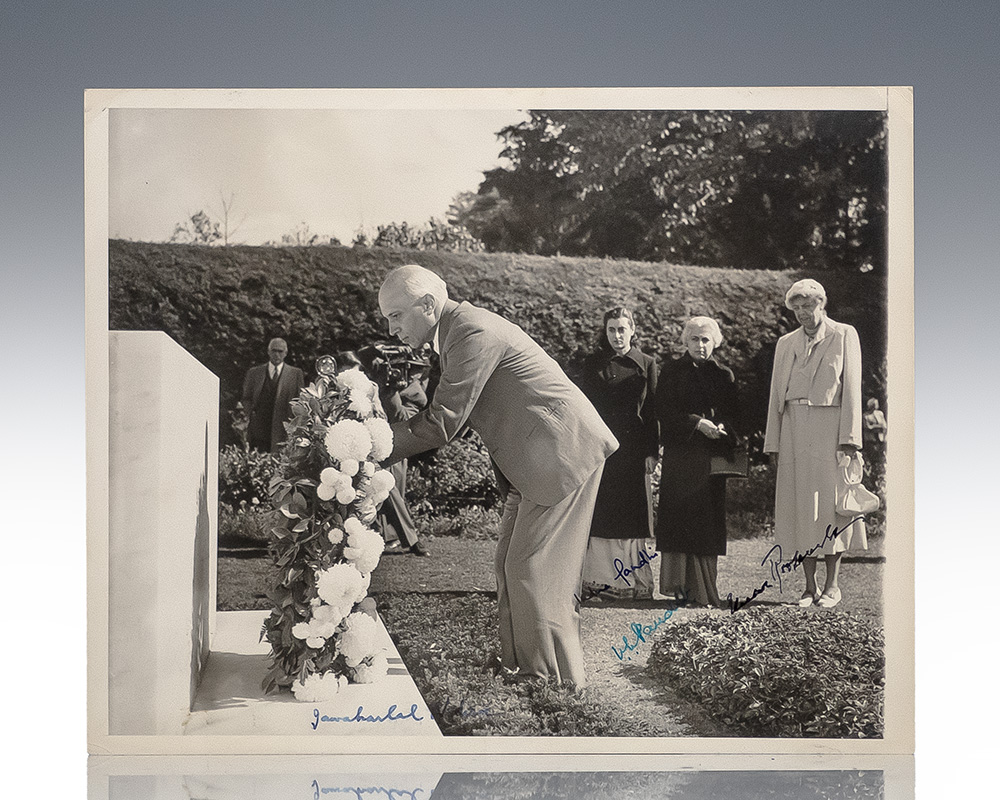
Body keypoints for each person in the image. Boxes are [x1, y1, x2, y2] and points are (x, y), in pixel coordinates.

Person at [377, 264, 618, 687]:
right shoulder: (456, 331)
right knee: (511, 564)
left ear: (428, 305)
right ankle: (522, 667)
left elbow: (442, 422)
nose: (391, 327)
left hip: (562, 455)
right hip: (538, 462)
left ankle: (551, 682)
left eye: (396, 315)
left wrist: (370, 444)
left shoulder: (470, 331)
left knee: (532, 569)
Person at [763, 279, 867, 609]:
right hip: (794, 426)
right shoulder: (785, 343)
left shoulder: (844, 334)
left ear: (822, 303)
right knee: (800, 508)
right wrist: (774, 442)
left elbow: (852, 389)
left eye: (808, 306)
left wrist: (849, 440)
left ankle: (832, 586)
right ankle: (808, 587)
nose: (802, 314)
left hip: (830, 429)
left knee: (831, 507)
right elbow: (775, 396)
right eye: (796, 308)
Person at [654, 316, 741, 608]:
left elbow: (735, 415)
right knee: (680, 519)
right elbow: (663, 413)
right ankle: (678, 587)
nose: (700, 345)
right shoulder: (671, 371)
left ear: (714, 342)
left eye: (705, 339)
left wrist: (723, 428)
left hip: (710, 459)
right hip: (681, 455)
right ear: (685, 341)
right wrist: (697, 423)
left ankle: (703, 589)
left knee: (706, 522)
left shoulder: (724, 375)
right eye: (694, 339)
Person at [578, 307, 659, 602]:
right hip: (602, 449)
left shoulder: (647, 364)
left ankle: (632, 582)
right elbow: (584, 410)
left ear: (633, 330)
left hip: (635, 452)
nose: (617, 336)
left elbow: (652, 412)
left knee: (632, 515)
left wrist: (652, 451)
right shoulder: (593, 364)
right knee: (602, 513)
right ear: (606, 331)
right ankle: (601, 581)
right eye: (611, 330)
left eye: (622, 329)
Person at [349, 347, 431, 557]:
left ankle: (410, 539)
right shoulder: (374, 380)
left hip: (393, 448)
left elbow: (400, 418)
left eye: (407, 369)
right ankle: (382, 536)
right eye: (397, 367)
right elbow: (362, 354)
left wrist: (391, 391)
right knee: (372, 492)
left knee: (388, 490)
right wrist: (380, 354)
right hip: (366, 442)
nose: (400, 372)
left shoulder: (416, 394)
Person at [240, 338, 305, 453]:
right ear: (268, 352)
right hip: (259, 430)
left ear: (285, 353)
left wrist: (295, 427)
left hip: (282, 429)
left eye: (280, 351)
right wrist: (250, 416)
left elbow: (300, 402)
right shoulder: (254, 373)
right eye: (274, 351)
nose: (276, 354)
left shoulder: (295, 374)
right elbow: (246, 398)